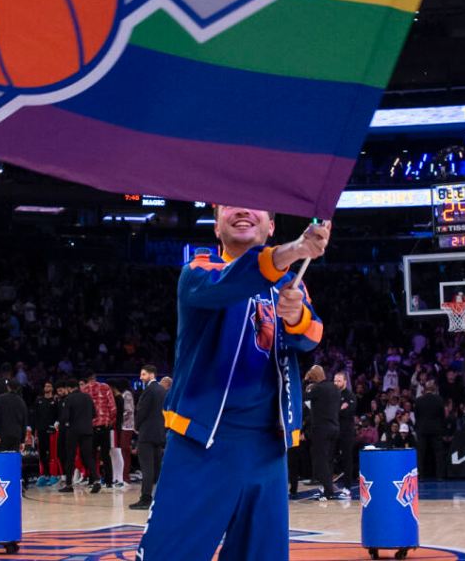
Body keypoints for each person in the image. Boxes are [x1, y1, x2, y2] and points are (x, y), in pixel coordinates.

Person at [136, 207, 328, 561]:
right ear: (216, 226)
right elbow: (231, 282)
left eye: (255, 204)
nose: (241, 209)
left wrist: (296, 314)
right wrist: (295, 250)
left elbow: (312, 336)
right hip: (202, 444)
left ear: (271, 225)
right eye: (228, 203)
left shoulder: (291, 286)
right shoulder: (199, 271)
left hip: (269, 450)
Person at [304, 365, 344, 499]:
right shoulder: (335, 388)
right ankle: (328, 489)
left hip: (321, 429)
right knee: (328, 460)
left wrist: (306, 382)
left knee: (320, 461)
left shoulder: (317, 389)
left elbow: (303, 397)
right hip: (334, 428)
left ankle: (329, 490)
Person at [130, 364, 166, 511]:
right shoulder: (162, 390)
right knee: (157, 468)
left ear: (151, 375)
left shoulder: (149, 391)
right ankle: (159, 497)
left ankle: (145, 499)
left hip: (147, 433)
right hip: (159, 433)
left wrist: (136, 426)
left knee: (147, 468)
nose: (141, 377)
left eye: (143, 374)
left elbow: (142, 411)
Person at [58, 379, 97, 493]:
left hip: (73, 431)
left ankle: (69, 484)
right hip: (88, 430)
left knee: (70, 457)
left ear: (69, 388)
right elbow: (94, 414)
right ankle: (96, 480)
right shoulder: (88, 397)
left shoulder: (69, 398)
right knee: (88, 457)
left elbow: (65, 417)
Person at [82, 371, 118, 489]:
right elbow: (113, 408)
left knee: (91, 455)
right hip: (104, 426)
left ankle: (93, 480)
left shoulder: (84, 389)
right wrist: (110, 421)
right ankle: (108, 481)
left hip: (90, 427)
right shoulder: (105, 387)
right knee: (105, 455)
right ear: (95, 377)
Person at [413, 380, 446, 481]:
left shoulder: (418, 400)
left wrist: (419, 427)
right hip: (436, 430)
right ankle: (440, 476)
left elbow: (416, 416)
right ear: (434, 389)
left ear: (425, 389)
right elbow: (442, 416)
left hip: (422, 430)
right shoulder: (439, 400)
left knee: (421, 454)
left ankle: (421, 476)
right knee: (439, 453)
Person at [30, 381, 60, 485]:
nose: (46, 387)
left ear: (52, 388)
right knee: (42, 454)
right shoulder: (39, 401)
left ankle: (54, 475)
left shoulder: (55, 401)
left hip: (52, 431)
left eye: (49, 386)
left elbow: (58, 416)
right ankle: (44, 475)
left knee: (52, 454)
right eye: (45, 386)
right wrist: (35, 432)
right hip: (41, 431)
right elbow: (35, 417)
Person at [334, 371, 358, 491]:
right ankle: (330, 484)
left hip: (346, 432)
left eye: (339, 380)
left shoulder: (350, 396)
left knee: (347, 458)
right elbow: (330, 412)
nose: (336, 383)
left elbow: (349, 412)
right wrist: (340, 408)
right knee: (330, 457)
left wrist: (337, 410)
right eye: (335, 380)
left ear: (345, 381)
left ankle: (347, 486)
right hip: (334, 431)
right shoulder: (332, 395)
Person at [0, 379, 29, 453]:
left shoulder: (0, 399)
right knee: (12, 461)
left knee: (2, 460)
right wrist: (22, 440)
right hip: (16, 436)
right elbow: (24, 422)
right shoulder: (22, 402)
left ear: (8, 387)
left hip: (2, 435)